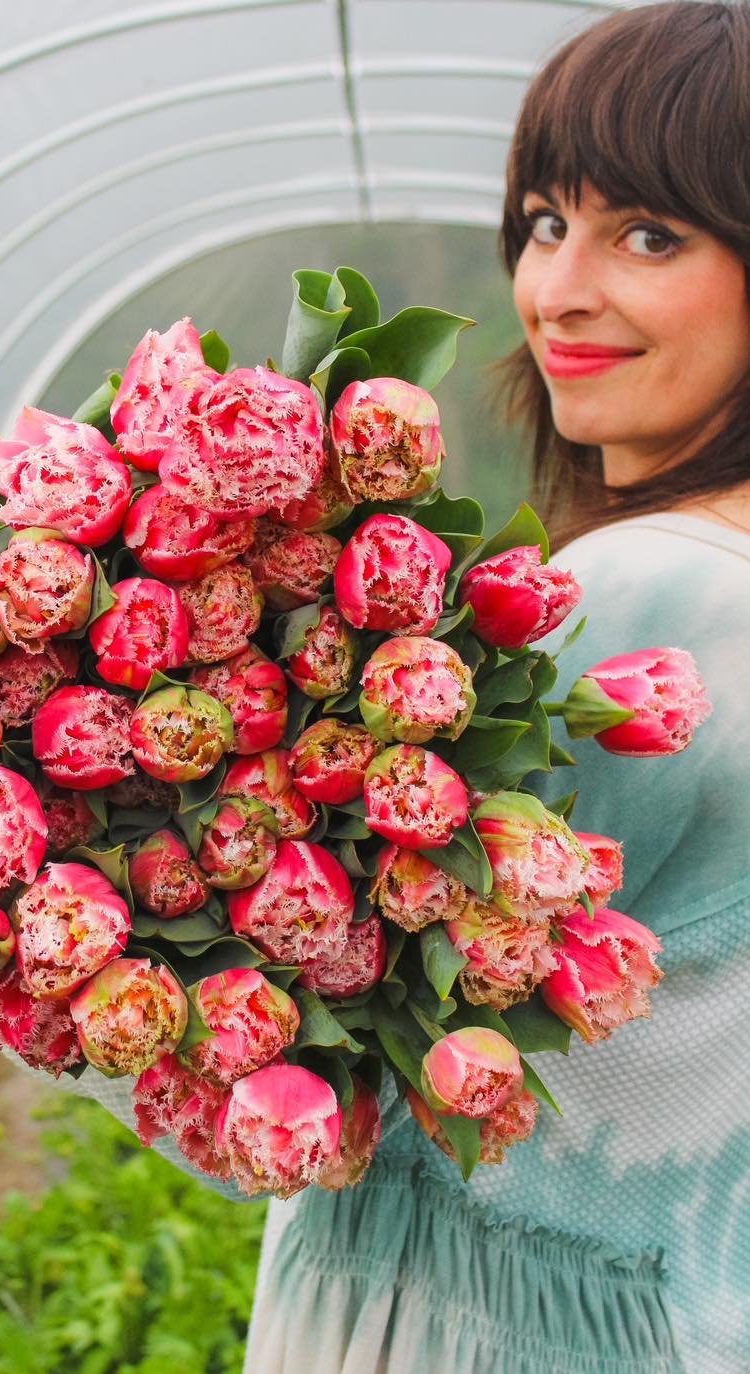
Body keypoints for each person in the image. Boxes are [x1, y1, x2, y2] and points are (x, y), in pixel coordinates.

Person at [241, 4, 750, 1372]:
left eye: (651, 234)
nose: (557, 288)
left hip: (504, 1320)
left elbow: (328, 1017)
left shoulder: (659, 597)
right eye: (540, 219)